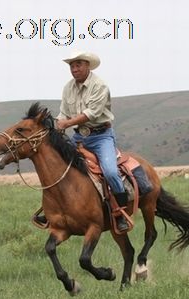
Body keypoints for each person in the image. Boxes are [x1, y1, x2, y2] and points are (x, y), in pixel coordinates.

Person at [55, 51, 130, 232]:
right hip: (79, 137)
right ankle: (54, 211)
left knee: (111, 172)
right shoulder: (68, 88)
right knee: (57, 168)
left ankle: (120, 213)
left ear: (88, 66)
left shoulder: (99, 86)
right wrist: (58, 125)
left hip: (101, 136)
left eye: (78, 65)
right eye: (72, 66)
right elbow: (63, 113)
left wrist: (67, 123)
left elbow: (91, 113)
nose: (75, 69)